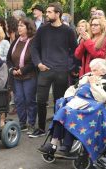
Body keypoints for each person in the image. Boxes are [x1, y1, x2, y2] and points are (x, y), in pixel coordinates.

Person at [37, 58, 106, 160]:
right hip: (79, 102)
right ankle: (55, 144)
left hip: (95, 107)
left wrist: (92, 84)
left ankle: (63, 146)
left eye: (95, 70)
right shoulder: (88, 76)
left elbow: (104, 98)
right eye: (91, 70)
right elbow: (73, 89)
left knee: (69, 113)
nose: (92, 73)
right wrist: (70, 97)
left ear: (103, 71)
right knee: (62, 106)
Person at [30, 2, 77, 138]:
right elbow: (34, 48)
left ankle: (58, 130)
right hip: (44, 70)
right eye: (47, 12)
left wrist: (69, 66)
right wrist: (38, 63)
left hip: (62, 71)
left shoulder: (68, 31)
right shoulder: (43, 30)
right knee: (40, 100)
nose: (47, 14)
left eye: (50, 12)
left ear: (58, 14)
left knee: (59, 101)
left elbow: (75, 51)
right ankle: (40, 128)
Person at [7, 18, 37, 134]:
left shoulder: (33, 41)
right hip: (16, 76)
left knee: (29, 100)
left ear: (28, 28)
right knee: (19, 100)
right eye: (18, 25)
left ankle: (32, 123)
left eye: (22, 26)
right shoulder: (16, 41)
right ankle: (22, 122)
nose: (19, 28)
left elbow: (34, 60)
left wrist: (23, 70)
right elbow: (9, 58)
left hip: (29, 75)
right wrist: (13, 69)